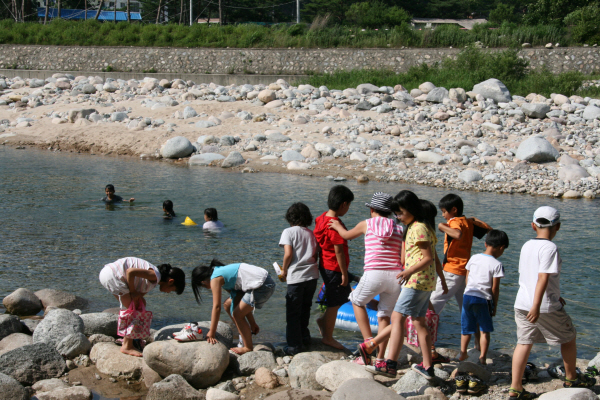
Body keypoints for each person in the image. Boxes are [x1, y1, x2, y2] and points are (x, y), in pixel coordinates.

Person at [509, 207, 594, 399]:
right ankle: (571, 378)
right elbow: (542, 277)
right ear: (558, 227)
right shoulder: (550, 248)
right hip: (541, 305)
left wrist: (556, 295)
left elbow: (530, 276)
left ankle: (515, 388)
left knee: (523, 342)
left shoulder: (526, 245)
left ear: (533, 226)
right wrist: (537, 305)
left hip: (521, 302)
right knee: (569, 337)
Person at [360, 190, 446, 379]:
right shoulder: (421, 227)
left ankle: (390, 364)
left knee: (397, 317)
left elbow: (428, 258)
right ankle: (427, 366)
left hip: (416, 281)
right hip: (426, 282)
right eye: (396, 214)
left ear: (411, 209)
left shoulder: (418, 228)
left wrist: (408, 271)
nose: (398, 217)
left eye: (400, 213)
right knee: (419, 322)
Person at [328, 192, 402, 366]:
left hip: (374, 273)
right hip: (395, 276)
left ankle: (368, 343)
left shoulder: (366, 224)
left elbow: (346, 236)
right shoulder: (399, 228)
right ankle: (381, 359)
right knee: (384, 316)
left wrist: (337, 227)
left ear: (372, 209)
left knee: (356, 300)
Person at [428, 194, 491, 362]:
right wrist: (472, 220)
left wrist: (442, 226)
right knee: (468, 309)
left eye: (444, 212)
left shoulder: (453, 222)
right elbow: (488, 229)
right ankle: (478, 347)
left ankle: (427, 344)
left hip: (452, 271)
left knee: (432, 305)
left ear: (453, 210)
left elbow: (457, 234)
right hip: (466, 272)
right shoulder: (468, 222)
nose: (443, 216)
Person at [99, 257, 185, 356]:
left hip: (109, 274)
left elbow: (139, 297)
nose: (168, 292)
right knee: (135, 309)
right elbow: (130, 272)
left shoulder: (152, 281)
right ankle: (127, 346)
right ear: (170, 281)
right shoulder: (155, 275)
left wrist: (135, 295)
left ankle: (130, 339)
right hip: (113, 276)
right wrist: (133, 291)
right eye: (172, 290)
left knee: (140, 304)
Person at [191, 260, 276, 355]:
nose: (207, 288)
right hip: (263, 282)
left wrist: (212, 332)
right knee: (228, 305)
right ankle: (243, 337)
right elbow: (241, 302)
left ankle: (248, 347)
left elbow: (216, 307)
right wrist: (252, 323)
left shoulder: (215, 278)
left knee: (237, 314)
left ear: (203, 282)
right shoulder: (219, 272)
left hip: (263, 285)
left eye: (203, 287)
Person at [457, 230, 508, 366]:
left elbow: (467, 276)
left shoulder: (474, 257)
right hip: (483, 299)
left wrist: (469, 289)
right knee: (485, 330)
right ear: (501, 247)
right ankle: (482, 357)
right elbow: (495, 288)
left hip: (468, 295)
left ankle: (463, 353)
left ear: (485, 243)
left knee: (467, 328)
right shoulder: (497, 264)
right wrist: (494, 305)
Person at [313, 185, 355, 350]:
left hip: (325, 264)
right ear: (344, 204)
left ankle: (323, 322)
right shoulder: (334, 225)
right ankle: (328, 337)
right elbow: (339, 252)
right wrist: (344, 273)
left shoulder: (321, 218)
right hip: (335, 268)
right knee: (334, 303)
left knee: (337, 298)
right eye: (349, 205)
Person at [279, 202, 320, 355]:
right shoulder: (311, 233)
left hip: (296, 277)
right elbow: (315, 255)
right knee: (305, 308)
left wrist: (284, 270)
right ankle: (304, 337)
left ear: (290, 217)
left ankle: (294, 346)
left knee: (292, 312)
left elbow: (288, 254)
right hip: (312, 275)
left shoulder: (288, 232)